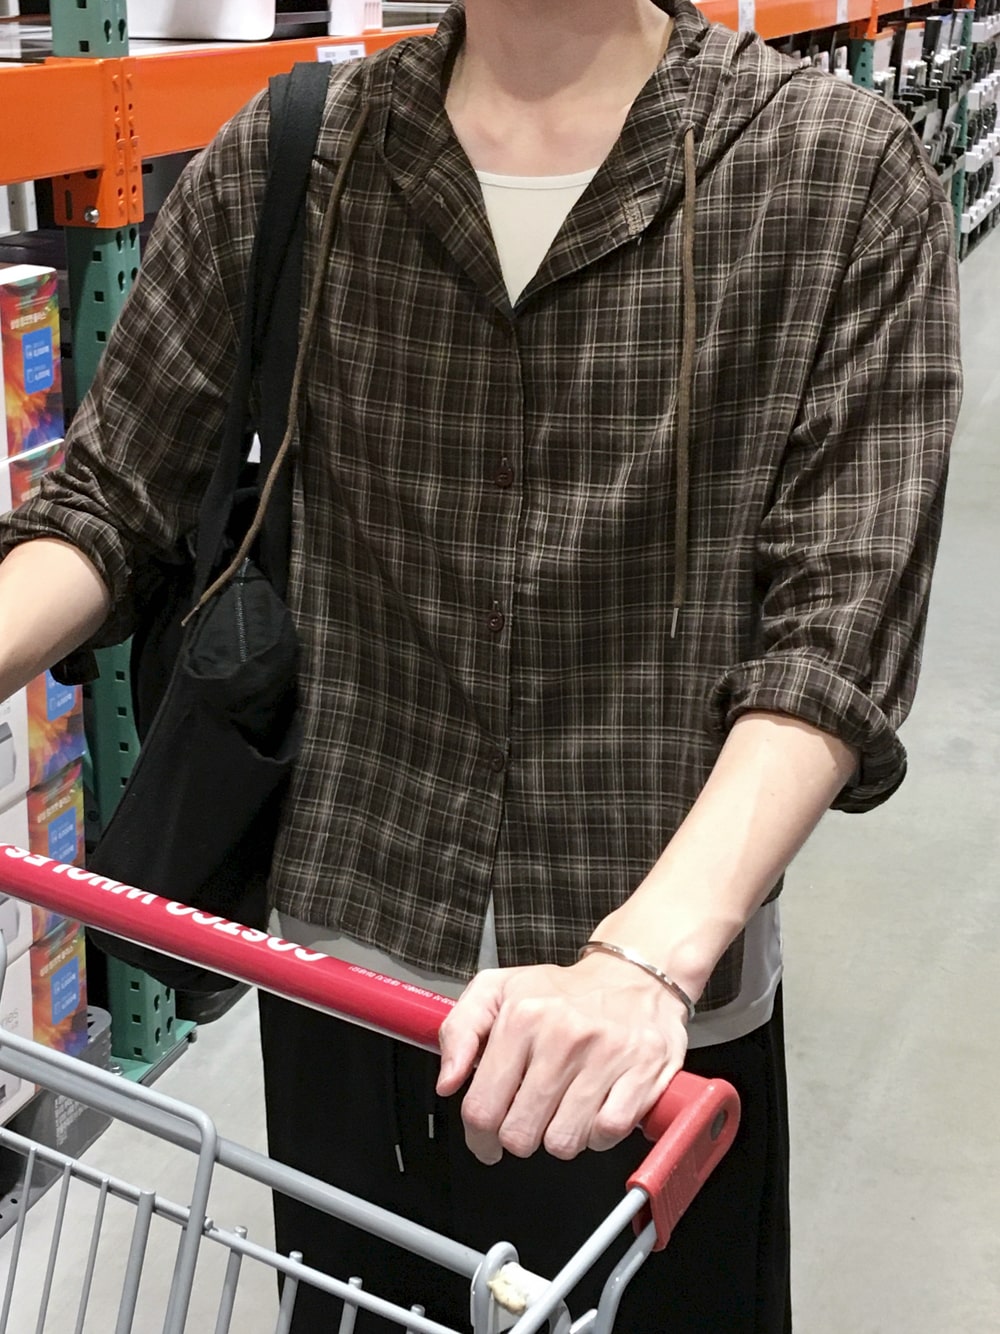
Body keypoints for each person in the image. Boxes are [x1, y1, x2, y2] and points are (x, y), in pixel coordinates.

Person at [0, 0, 961, 1329]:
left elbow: (835, 636)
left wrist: (644, 961)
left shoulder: (835, 173)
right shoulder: (301, 151)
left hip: (651, 1023)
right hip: (349, 974)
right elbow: (110, 501)